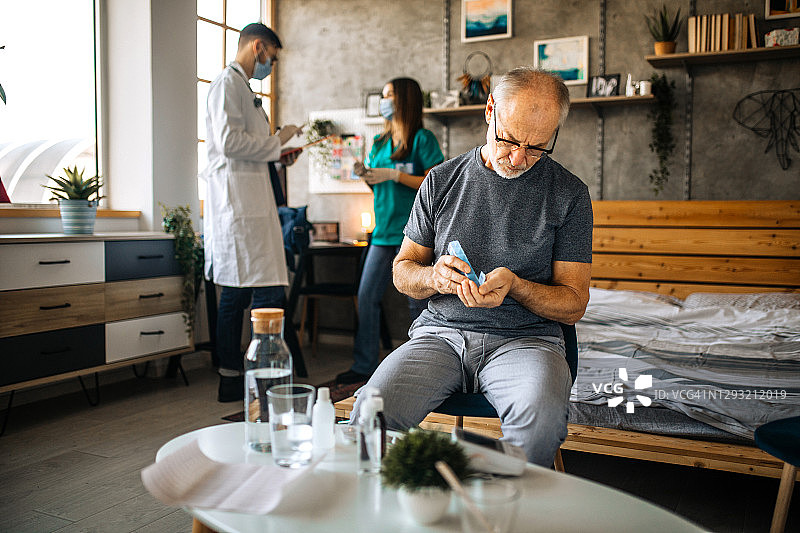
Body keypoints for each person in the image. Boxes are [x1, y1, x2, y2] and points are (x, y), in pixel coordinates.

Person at [349, 67, 593, 467]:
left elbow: (573, 304)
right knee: (370, 413)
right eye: (509, 139)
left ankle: (505, 517)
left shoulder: (569, 195)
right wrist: (433, 276)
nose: (518, 158)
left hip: (526, 343)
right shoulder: (441, 181)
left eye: (536, 147)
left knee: (541, 422)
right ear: (490, 110)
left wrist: (516, 285)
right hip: (441, 337)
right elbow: (402, 271)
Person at [203, 23, 304, 402]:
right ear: (258, 47)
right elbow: (229, 143)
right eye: (272, 58)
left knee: (254, 289)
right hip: (236, 208)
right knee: (242, 292)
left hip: (252, 205)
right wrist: (277, 141)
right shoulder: (226, 85)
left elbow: (253, 149)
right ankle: (240, 377)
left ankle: (256, 378)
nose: (271, 66)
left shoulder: (243, 89)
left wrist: (279, 154)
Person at [335, 78, 444, 385]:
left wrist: (396, 175)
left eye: (388, 95)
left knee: (417, 303)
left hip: (416, 237)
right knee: (366, 296)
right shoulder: (380, 143)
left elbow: (437, 181)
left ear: (405, 99)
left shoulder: (422, 140)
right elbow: (375, 181)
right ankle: (364, 365)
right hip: (382, 234)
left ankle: (424, 366)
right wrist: (367, 175)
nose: (384, 101)